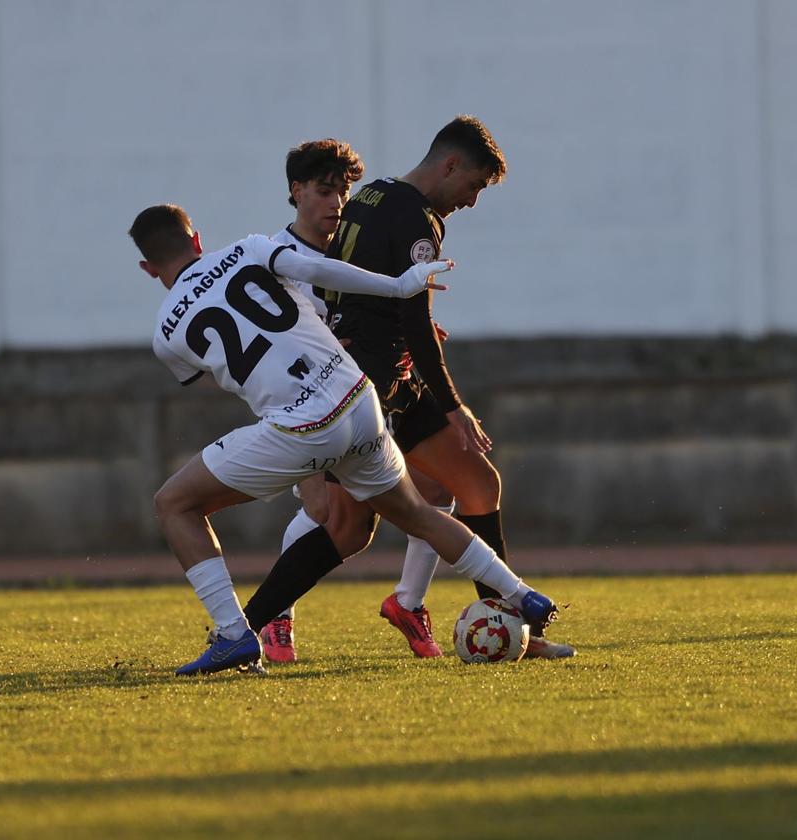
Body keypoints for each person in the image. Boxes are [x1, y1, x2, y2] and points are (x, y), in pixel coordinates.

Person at [129, 203, 561, 674]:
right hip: (358, 398)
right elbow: (316, 270)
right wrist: (398, 286)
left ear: (148, 269)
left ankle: (234, 635)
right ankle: (523, 595)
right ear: (196, 240)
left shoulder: (164, 337)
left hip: (304, 426)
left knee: (175, 503)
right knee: (417, 512)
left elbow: (228, 370)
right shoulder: (249, 249)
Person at [242, 117, 576, 661]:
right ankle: (247, 626)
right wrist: (455, 406)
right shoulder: (419, 219)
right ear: (449, 165)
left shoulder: (370, 195)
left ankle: (513, 627)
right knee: (345, 528)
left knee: (475, 483)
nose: (470, 201)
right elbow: (417, 323)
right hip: (366, 386)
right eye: (473, 186)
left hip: (390, 375)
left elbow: (344, 279)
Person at [254, 138, 458, 664]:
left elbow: (380, 308)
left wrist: (416, 331)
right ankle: (276, 616)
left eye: (342, 192)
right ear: (295, 191)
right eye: (324, 191)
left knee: (440, 485)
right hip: (310, 401)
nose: (335, 204)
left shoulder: (354, 244)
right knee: (327, 514)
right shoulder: (279, 258)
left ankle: (409, 603)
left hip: (375, 387)